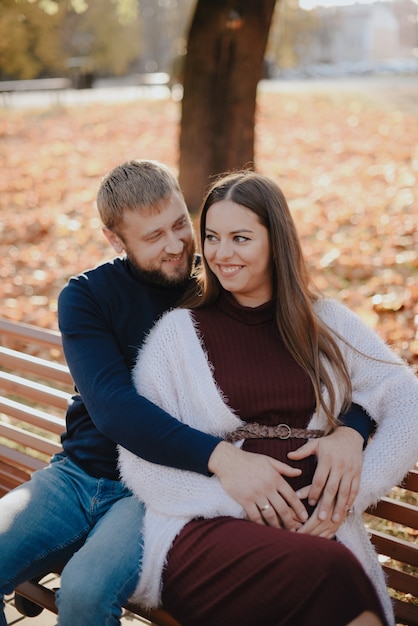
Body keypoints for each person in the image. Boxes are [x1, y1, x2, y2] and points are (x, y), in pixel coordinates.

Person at [0, 161, 372, 626]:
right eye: (153, 237)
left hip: (160, 487)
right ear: (116, 241)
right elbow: (115, 408)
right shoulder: (88, 295)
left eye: (180, 224)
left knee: (82, 594)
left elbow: (351, 374)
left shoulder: (219, 282)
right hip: (75, 477)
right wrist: (223, 457)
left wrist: (352, 430)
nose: (176, 245)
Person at [119, 169, 418, 626]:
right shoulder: (178, 335)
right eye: (212, 237)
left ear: (275, 241)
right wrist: (241, 501)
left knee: (340, 585)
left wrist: (344, 488)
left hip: (316, 530)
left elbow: (404, 396)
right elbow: (141, 460)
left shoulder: (325, 322)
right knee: (334, 575)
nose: (221, 254)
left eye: (241, 238)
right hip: (205, 530)